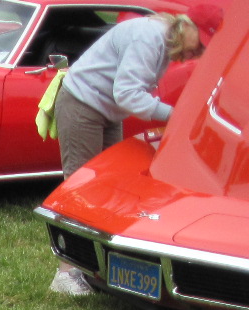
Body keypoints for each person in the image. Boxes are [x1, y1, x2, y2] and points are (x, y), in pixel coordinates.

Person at [49, 5, 219, 295]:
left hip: (107, 110)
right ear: (187, 26)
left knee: (112, 188)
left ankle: (97, 267)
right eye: (201, 44)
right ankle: (65, 274)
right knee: (79, 187)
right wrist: (177, 116)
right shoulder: (149, 37)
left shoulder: (166, 41)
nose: (199, 52)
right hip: (82, 104)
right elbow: (127, 94)